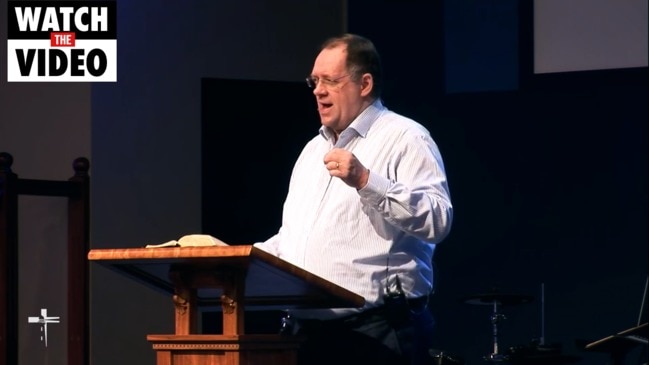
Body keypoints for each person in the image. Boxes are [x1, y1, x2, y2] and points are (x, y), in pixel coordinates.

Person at [254, 33, 453, 365]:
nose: (318, 90)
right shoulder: (311, 150)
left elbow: (438, 220)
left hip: (374, 334)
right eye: (314, 81)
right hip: (306, 336)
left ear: (364, 84)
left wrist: (365, 180)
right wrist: (236, 260)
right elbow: (295, 241)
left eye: (330, 80)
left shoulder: (406, 138)